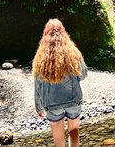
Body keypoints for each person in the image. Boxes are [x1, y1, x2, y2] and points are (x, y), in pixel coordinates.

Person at [33, 19, 88, 147]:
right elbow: (83, 75)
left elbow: (38, 85)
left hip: (52, 103)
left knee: (58, 139)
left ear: (45, 35)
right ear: (63, 32)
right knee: (73, 131)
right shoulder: (74, 53)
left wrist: (39, 107)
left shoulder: (40, 57)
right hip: (74, 99)